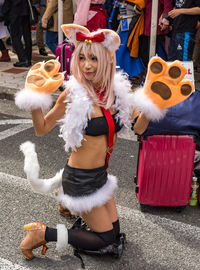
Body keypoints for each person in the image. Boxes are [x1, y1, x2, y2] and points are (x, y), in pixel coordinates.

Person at [15, 24, 193, 266]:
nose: (87, 65)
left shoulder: (116, 94)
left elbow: (139, 128)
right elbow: (41, 128)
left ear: (107, 61)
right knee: (105, 240)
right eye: (82, 58)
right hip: (80, 179)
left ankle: (69, 206)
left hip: (100, 175)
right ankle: (43, 233)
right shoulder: (72, 96)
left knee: (115, 234)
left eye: (94, 59)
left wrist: (155, 104)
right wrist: (35, 99)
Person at [139, 0, 173, 67]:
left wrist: (165, 19)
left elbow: (168, 5)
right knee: (145, 54)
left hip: (157, 28)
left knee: (159, 56)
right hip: (144, 26)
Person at [2, 0, 32, 67]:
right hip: (25, 11)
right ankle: (28, 59)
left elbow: (8, 3)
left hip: (16, 13)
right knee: (27, 36)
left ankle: (23, 59)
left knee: (15, 37)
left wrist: (2, 14)